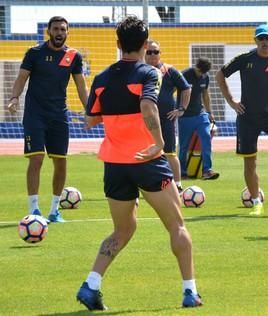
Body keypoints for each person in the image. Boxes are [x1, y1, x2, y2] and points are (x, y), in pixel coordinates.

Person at [76, 16, 202, 310]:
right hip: (147, 159)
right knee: (177, 226)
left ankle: (91, 285)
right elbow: (147, 105)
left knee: (122, 230)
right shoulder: (150, 73)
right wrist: (158, 143)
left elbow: (89, 121)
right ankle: (190, 292)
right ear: (146, 45)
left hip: (115, 164)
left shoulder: (103, 78)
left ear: (118, 44)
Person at [7, 16, 88, 223]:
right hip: (35, 114)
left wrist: (90, 110)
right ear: (48, 32)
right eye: (56, 29)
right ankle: (34, 210)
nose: (59, 32)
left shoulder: (73, 56)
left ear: (67, 32)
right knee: (36, 158)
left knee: (60, 162)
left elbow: (81, 87)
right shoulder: (34, 53)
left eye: (63, 29)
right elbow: (21, 78)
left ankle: (54, 210)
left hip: (59, 116)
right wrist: (14, 98)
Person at [216, 24, 268, 216]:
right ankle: (255, 203)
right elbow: (220, 74)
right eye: (261, 39)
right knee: (250, 162)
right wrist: (231, 101)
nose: (264, 42)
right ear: (255, 41)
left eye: (267, 38)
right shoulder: (245, 59)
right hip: (247, 118)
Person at [144, 39, 191, 192]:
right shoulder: (140, 70)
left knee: (170, 152)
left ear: (160, 53)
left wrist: (181, 108)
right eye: (149, 52)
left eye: (155, 51)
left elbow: (186, 88)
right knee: (145, 152)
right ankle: (146, 185)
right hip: (144, 120)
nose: (152, 55)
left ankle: (177, 184)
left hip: (166, 120)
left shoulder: (169, 70)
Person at [178, 57, 219, 180]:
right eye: (200, 71)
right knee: (183, 145)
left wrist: (209, 112)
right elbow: (173, 90)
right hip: (184, 116)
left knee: (206, 137)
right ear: (196, 66)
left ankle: (207, 170)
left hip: (200, 114)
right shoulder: (184, 75)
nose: (201, 74)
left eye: (204, 73)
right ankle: (182, 172)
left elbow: (205, 95)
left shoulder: (205, 77)